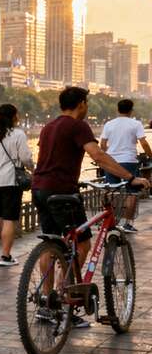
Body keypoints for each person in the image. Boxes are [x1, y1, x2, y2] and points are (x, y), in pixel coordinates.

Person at [32, 87, 149, 326]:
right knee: (82, 243)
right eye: (86, 103)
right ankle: (65, 298)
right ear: (81, 104)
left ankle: (46, 303)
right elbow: (98, 155)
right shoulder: (78, 126)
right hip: (62, 192)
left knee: (51, 243)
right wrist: (130, 177)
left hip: (39, 189)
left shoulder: (49, 127)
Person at [0, 104, 33, 266]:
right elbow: (25, 158)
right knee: (9, 218)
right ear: (14, 116)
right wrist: (33, 169)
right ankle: (6, 257)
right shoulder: (18, 134)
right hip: (10, 181)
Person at [100, 99, 150, 231]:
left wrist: (110, 155)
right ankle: (128, 224)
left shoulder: (109, 124)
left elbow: (102, 144)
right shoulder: (136, 124)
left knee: (112, 190)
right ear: (131, 110)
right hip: (129, 161)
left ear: (117, 109)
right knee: (131, 192)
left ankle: (113, 222)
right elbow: (144, 143)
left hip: (112, 162)